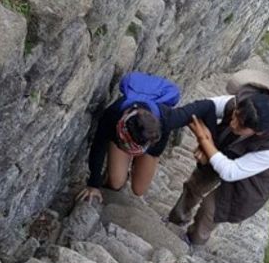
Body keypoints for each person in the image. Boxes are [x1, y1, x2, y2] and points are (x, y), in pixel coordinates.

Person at [167, 85, 269, 246]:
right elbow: (209, 106)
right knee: (195, 185)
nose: (233, 125)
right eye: (234, 117)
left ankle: (192, 241)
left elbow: (230, 171)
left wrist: (205, 140)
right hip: (226, 151)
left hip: (251, 181)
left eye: (241, 125)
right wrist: (207, 144)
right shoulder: (243, 104)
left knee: (211, 210)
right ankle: (175, 220)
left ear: (258, 132)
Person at [78, 71, 212, 203]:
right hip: (122, 137)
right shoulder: (113, 114)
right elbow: (99, 144)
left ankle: (133, 162)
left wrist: (206, 143)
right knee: (116, 182)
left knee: (139, 189)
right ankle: (117, 169)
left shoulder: (169, 119)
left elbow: (208, 106)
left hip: (151, 142)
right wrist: (93, 184)